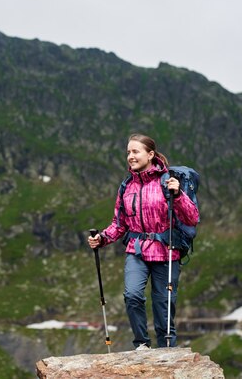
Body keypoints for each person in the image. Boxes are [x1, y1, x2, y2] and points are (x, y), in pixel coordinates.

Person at [88, 133, 199, 349]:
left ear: (150, 154)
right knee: (132, 295)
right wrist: (101, 238)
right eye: (128, 152)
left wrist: (177, 196)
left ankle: (167, 351)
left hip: (166, 251)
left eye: (135, 151)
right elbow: (119, 223)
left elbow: (192, 217)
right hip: (137, 250)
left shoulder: (169, 182)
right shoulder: (126, 186)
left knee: (163, 306)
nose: (130, 156)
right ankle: (142, 345)